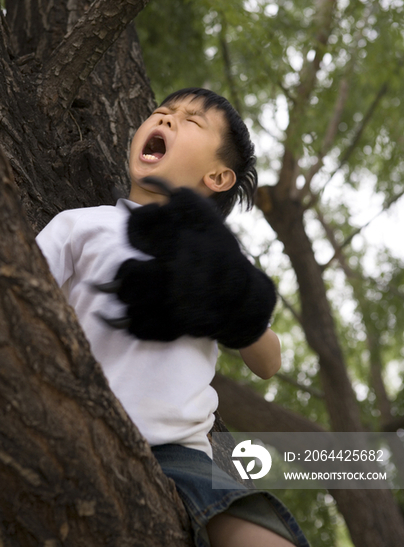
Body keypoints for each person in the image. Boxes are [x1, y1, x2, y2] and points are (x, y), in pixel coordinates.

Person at [36, 87, 309, 547]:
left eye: (190, 120)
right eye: (161, 112)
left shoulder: (214, 259)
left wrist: (232, 298)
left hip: (179, 456)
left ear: (218, 176)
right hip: (71, 432)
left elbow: (269, 362)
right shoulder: (81, 224)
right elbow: (12, 284)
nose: (165, 118)